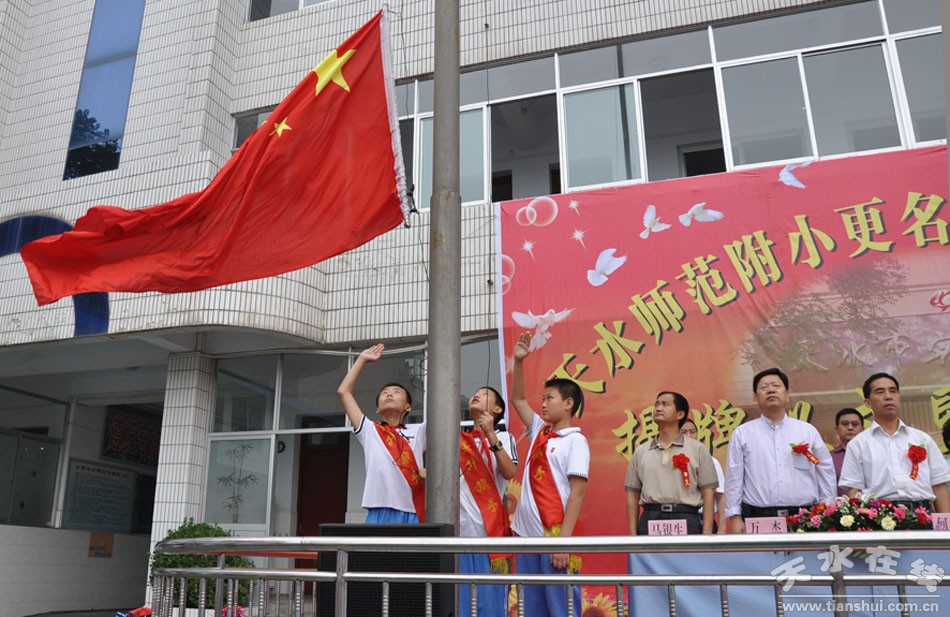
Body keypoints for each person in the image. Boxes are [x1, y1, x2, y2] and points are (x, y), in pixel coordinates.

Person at [510, 331, 589, 617]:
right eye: (542, 399)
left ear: (568, 403)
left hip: (555, 535)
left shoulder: (575, 440)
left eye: (550, 398)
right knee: (532, 608)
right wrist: (519, 361)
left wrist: (562, 541)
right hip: (528, 537)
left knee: (562, 608)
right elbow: (518, 398)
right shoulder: (537, 433)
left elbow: (577, 493)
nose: (542, 404)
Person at [725, 368, 836, 533]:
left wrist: (828, 507)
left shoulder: (807, 431)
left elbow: (824, 469)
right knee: (761, 559)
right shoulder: (743, 433)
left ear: (786, 394)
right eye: (764, 387)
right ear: (755, 397)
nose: (770, 390)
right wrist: (735, 515)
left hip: (804, 516)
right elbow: (734, 476)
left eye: (776, 385)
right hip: (759, 517)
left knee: (804, 559)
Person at [337, 343, 426, 523]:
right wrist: (361, 359)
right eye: (384, 393)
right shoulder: (369, 430)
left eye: (396, 392)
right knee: (376, 552)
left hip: (411, 510)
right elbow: (343, 392)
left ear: (408, 406)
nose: (389, 394)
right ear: (378, 408)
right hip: (378, 510)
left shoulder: (419, 430)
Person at [839, 373, 950, 513]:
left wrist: (944, 529)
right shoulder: (858, 444)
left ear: (899, 397)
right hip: (878, 516)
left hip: (922, 513)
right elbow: (854, 490)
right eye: (880, 392)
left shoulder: (922, 439)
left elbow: (939, 486)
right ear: (868, 402)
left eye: (893, 391)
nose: (888, 396)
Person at [459, 386, 518, 617]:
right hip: (459, 537)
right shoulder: (456, 440)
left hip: (490, 536)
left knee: (490, 606)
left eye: (484, 393)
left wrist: (490, 434)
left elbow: (510, 471)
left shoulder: (504, 437)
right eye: (474, 392)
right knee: (461, 606)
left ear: (497, 409)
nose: (475, 394)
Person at [625, 392, 717, 535]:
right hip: (651, 517)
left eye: (665, 404)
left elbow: (708, 494)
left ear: (680, 414)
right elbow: (632, 494)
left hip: (686, 517)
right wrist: (632, 536)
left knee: (686, 558)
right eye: (657, 404)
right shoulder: (641, 451)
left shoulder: (697, 449)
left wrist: (706, 535)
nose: (658, 408)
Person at [680, 417, 727, 533]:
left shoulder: (711, 461)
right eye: (683, 432)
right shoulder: (669, 461)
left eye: (692, 431)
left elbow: (721, 497)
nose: (689, 435)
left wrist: (722, 528)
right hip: (678, 519)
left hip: (703, 520)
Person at [830, 408, 864, 496]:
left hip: (873, 508)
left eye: (855, 424)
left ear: (863, 429)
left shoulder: (872, 455)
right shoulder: (828, 458)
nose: (850, 427)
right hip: (838, 508)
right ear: (836, 429)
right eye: (845, 424)